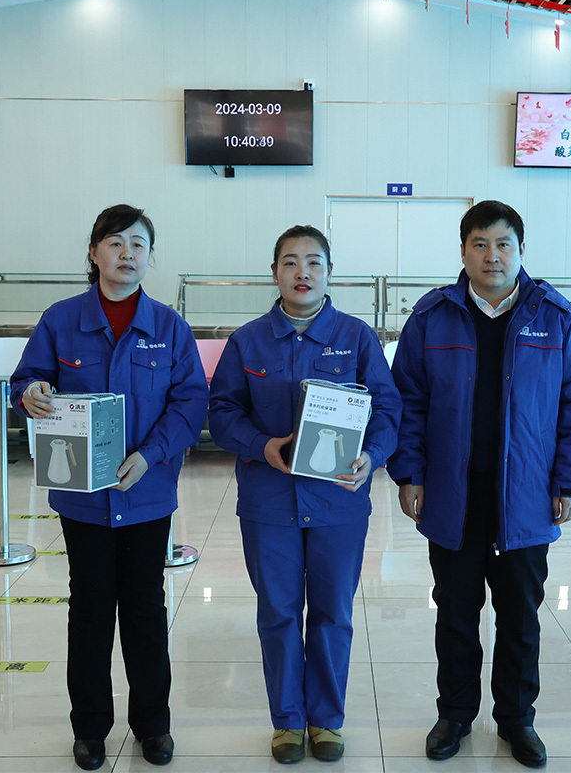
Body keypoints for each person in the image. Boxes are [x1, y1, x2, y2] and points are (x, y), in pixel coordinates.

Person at [388, 201, 571, 768]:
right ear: (463, 251)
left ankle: (516, 720)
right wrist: (409, 473)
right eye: (479, 244)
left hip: (526, 496)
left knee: (520, 617)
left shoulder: (555, 318)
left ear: (520, 250)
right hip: (452, 496)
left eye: (503, 244)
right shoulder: (432, 317)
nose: (492, 256)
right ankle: (455, 714)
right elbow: (408, 401)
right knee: (455, 614)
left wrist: (570, 481)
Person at [10, 204, 207, 771]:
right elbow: (27, 380)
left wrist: (151, 455)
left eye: (138, 244)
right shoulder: (61, 320)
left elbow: (191, 400)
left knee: (145, 607)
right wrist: (31, 392)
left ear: (149, 257)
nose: (127, 253)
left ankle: (153, 725)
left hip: (147, 492)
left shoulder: (168, 326)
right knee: (90, 608)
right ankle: (90, 729)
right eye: (116, 242)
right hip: (82, 496)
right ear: (94, 252)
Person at [209, 225, 401, 764]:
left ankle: (327, 720)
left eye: (314, 262)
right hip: (269, 502)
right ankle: (288, 721)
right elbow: (221, 412)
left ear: (329, 272)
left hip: (339, 503)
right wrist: (261, 445)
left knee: (333, 613)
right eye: (290, 262)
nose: (302, 273)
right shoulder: (248, 341)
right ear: (274, 272)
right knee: (278, 612)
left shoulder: (357, 337)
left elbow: (388, 409)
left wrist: (373, 456)